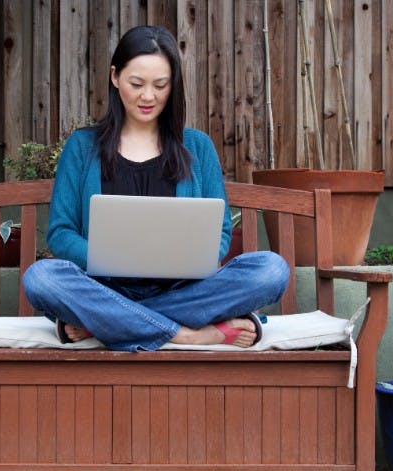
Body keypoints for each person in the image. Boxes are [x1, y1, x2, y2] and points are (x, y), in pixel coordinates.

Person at [23, 25, 289, 352]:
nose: (148, 96)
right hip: (104, 289)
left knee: (271, 271)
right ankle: (188, 334)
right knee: (41, 279)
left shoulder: (198, 147)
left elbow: (219, 234)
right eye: (137, 84)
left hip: (183, 290)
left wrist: (190, 259)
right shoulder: (82, 147)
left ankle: (106, 325)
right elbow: (61, 232)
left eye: (160, 85)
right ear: (115, 77)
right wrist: (110, 258)